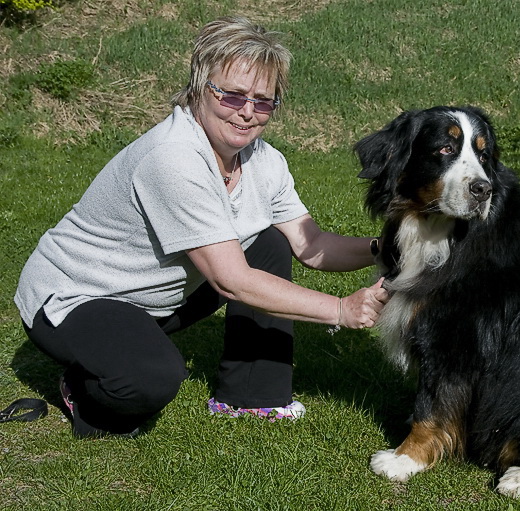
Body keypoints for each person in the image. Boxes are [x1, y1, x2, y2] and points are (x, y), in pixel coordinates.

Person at [13, 16, 388, 438]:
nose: (248, 112)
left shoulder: (265, 161)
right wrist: (340, 310)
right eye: (232, 95)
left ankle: (252, 397)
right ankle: (81, 389)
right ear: (200, 87)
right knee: (150, 380)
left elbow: (312, 243)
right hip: (77, 295)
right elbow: (231, 281)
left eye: (264, 101)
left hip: (151, 294)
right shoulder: (173, 157)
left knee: (266, 241)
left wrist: (386, 248)